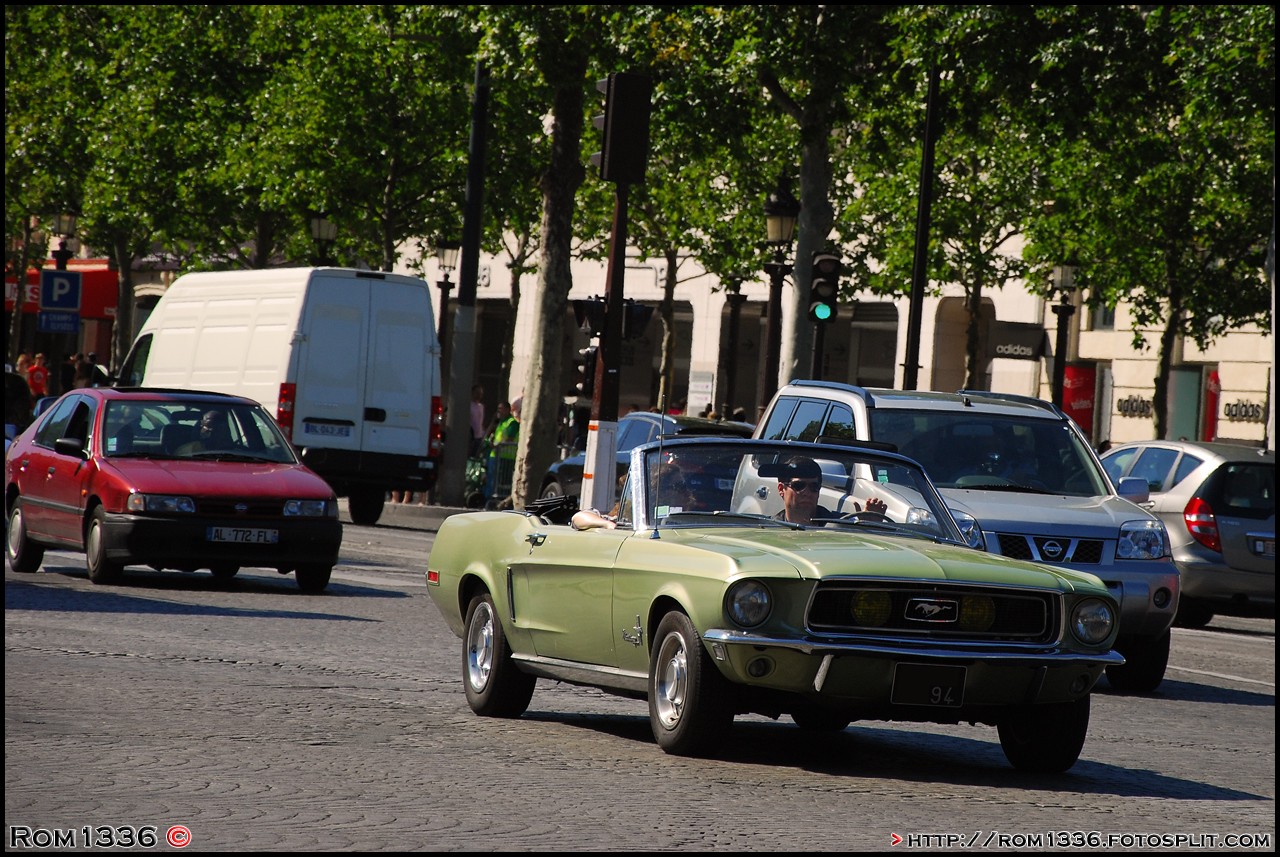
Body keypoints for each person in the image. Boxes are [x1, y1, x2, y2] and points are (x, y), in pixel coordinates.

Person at [773, 455, 886, 525]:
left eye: (814, 487)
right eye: (799, 486)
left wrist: (869, 526)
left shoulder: (841, 524)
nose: (807, 493)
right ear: (781, 489)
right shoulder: (768, 529)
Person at [484, 401, 519, 506]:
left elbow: (510, 438)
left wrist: (498, 444)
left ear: (508, 410)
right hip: (495, 455)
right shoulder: (500, 422)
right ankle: (489, 498)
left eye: (501, 409)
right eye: (498, 409)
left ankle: (500, 500)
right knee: (492, 479)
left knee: (501, 482)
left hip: (506, 457)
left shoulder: (512, 422)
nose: (499, 411)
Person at [469, 384, 486, 456]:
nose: (479, 396)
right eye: (477, 393)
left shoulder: (481, 407)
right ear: (472, 393)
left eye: (481, 394)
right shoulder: (469, 405)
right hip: (471, 437)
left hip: (479, 437)